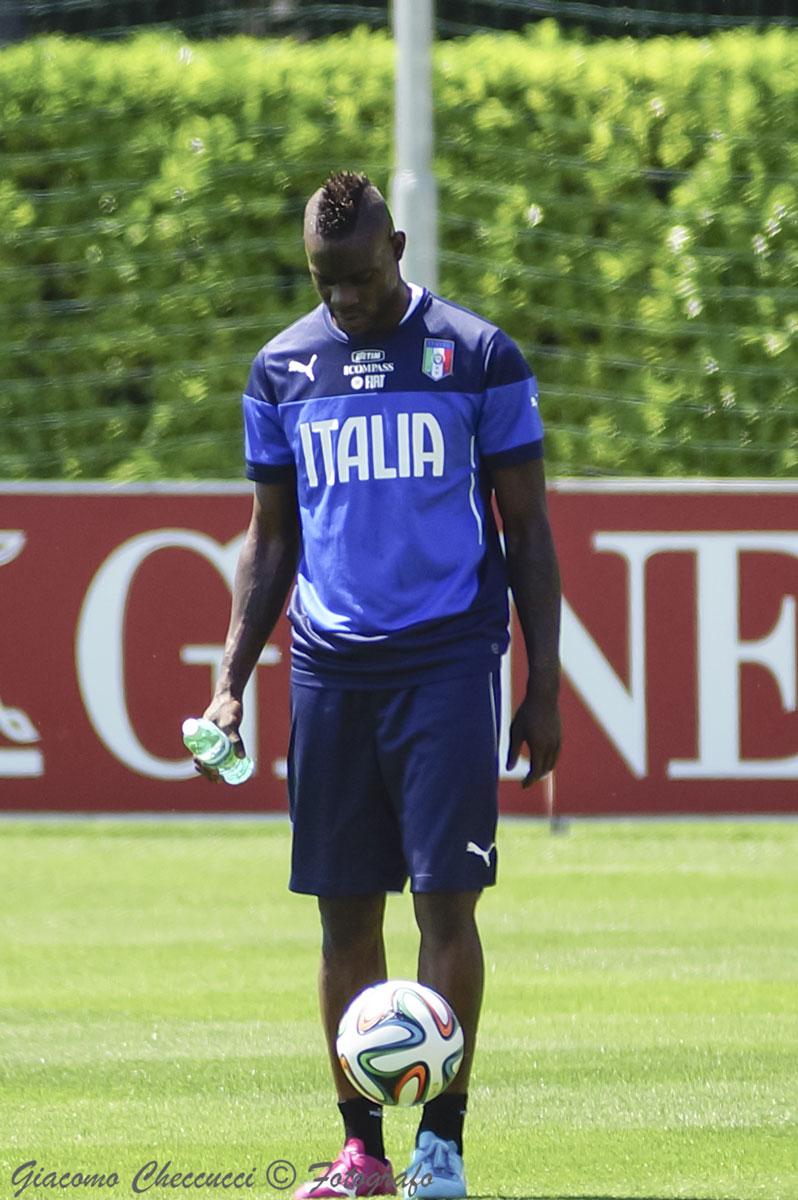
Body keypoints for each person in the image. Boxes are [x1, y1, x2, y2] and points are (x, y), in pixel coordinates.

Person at [195, 171, 561, 1199]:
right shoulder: (281, 369)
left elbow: (528, 532)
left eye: (357, 278)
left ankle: (440, 1144)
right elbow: (271, 541)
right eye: (325, 282)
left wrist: (546, 686)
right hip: (330, 672)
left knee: (449, 908)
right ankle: (361, 1151)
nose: (344, 300)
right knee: (342, 920)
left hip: (447, 662)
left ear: (397, 247)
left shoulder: (479, 356)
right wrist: (231, 680)